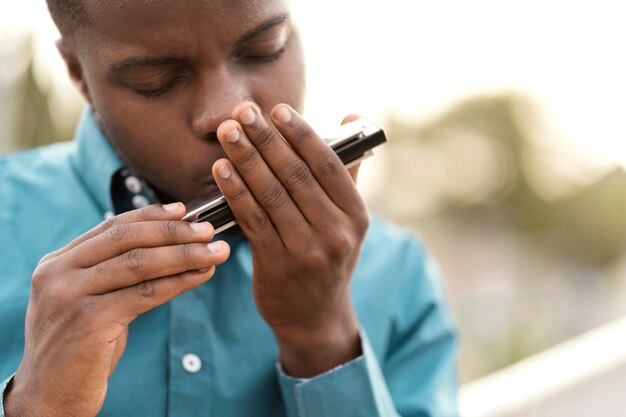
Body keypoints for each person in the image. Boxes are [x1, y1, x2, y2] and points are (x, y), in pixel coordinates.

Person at [0, 1, 458, 416]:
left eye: (264, 49)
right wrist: (36, 406)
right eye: (156, 80)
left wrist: (322, 334)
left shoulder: (399, 275)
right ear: (78, 73)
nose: (226, 113)